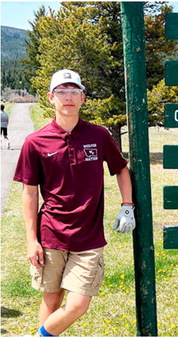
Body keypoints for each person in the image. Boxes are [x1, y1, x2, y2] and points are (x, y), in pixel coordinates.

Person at [13, 69, 135, 337]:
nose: (68, 97)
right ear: (50, 98)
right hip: (51, 235)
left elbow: (121, 169)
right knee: (52, 300)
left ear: (83, 99)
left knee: (78, 304)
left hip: (89, 237)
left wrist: (127, 205)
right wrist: (31, 240)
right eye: (61, 92)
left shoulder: (99, 135)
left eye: (74, 92)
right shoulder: (35, 142)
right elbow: (29, 192)